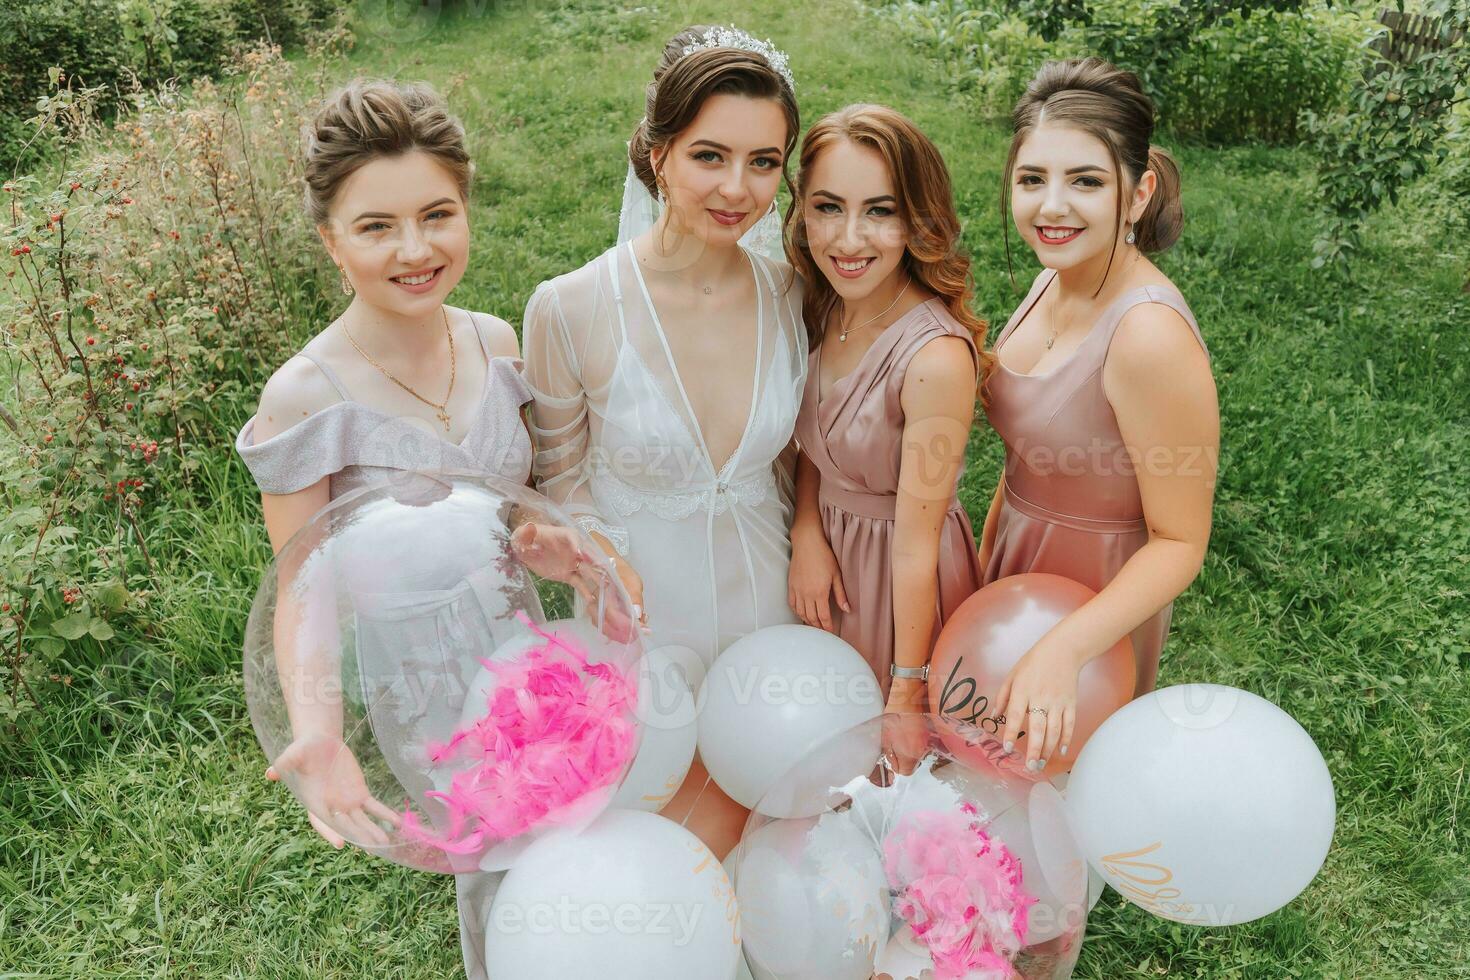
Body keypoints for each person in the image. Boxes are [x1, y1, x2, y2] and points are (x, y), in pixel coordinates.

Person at [234, 78, 598, 980]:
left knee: (583, 842)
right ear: (330, 241)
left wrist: (549, 548)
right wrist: (315, 721)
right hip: (425, 679)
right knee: (504, 864)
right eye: (375, 226)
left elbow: (520, 511)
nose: (414, 249)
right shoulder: (306, 396)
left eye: (437, 214)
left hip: (533, 648)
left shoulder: (495, 340)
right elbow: (303, 586)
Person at [522, 25, 805, 858]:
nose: (738, 188)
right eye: (709, 156)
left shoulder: (793, 294)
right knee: (668, 847)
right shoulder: (570, 307)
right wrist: (603, 562)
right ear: (656, 153)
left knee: (783, 826)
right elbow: (559, 477)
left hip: (776, 609)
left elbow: (796, 462)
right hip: (643, 614)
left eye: (764, 161)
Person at [979, 58, 1219, 774]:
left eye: (1085, 181)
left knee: (1053, 792)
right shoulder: (1052, 276)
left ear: (1137, 191)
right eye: (1032, 180)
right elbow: (1025, 455)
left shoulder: (1148, 338)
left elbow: (1180, 540)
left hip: (1096, 595)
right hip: (1013, 565)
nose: (1052, 206)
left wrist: (1066, 646)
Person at [786, 104, 989, 726]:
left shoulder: (935, 359)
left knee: (888, 757)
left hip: (903, 583)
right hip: (827, 561)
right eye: (828, 207)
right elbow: (818, 444)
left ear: (918, 220)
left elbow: (916, 544)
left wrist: (909, 685)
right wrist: (806, 532)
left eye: (880, 211)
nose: (848, 240)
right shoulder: (823, 302)